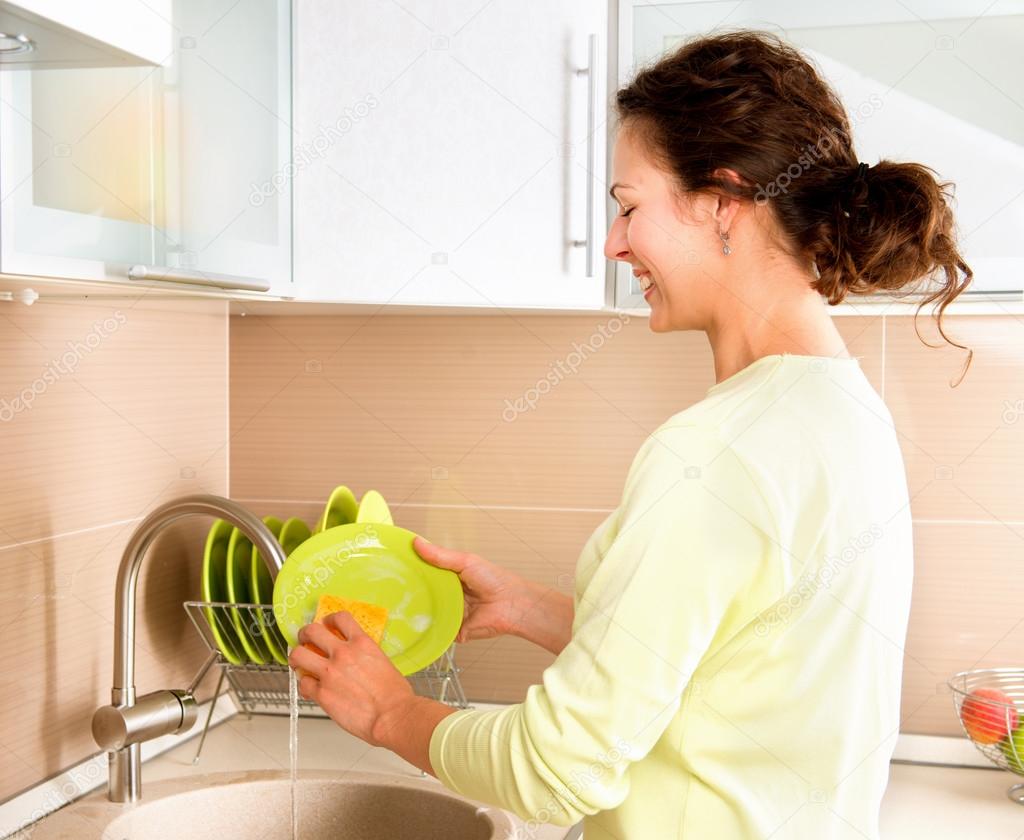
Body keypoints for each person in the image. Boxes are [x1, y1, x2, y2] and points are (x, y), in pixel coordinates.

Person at [288, 29, 973, 839]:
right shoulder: (845, 409)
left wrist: (391, 714)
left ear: (722, 201)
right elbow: (743, 658)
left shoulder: (716, 451)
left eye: (629, 206)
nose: (615, 243)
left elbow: (556, 771)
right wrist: (535, 610)